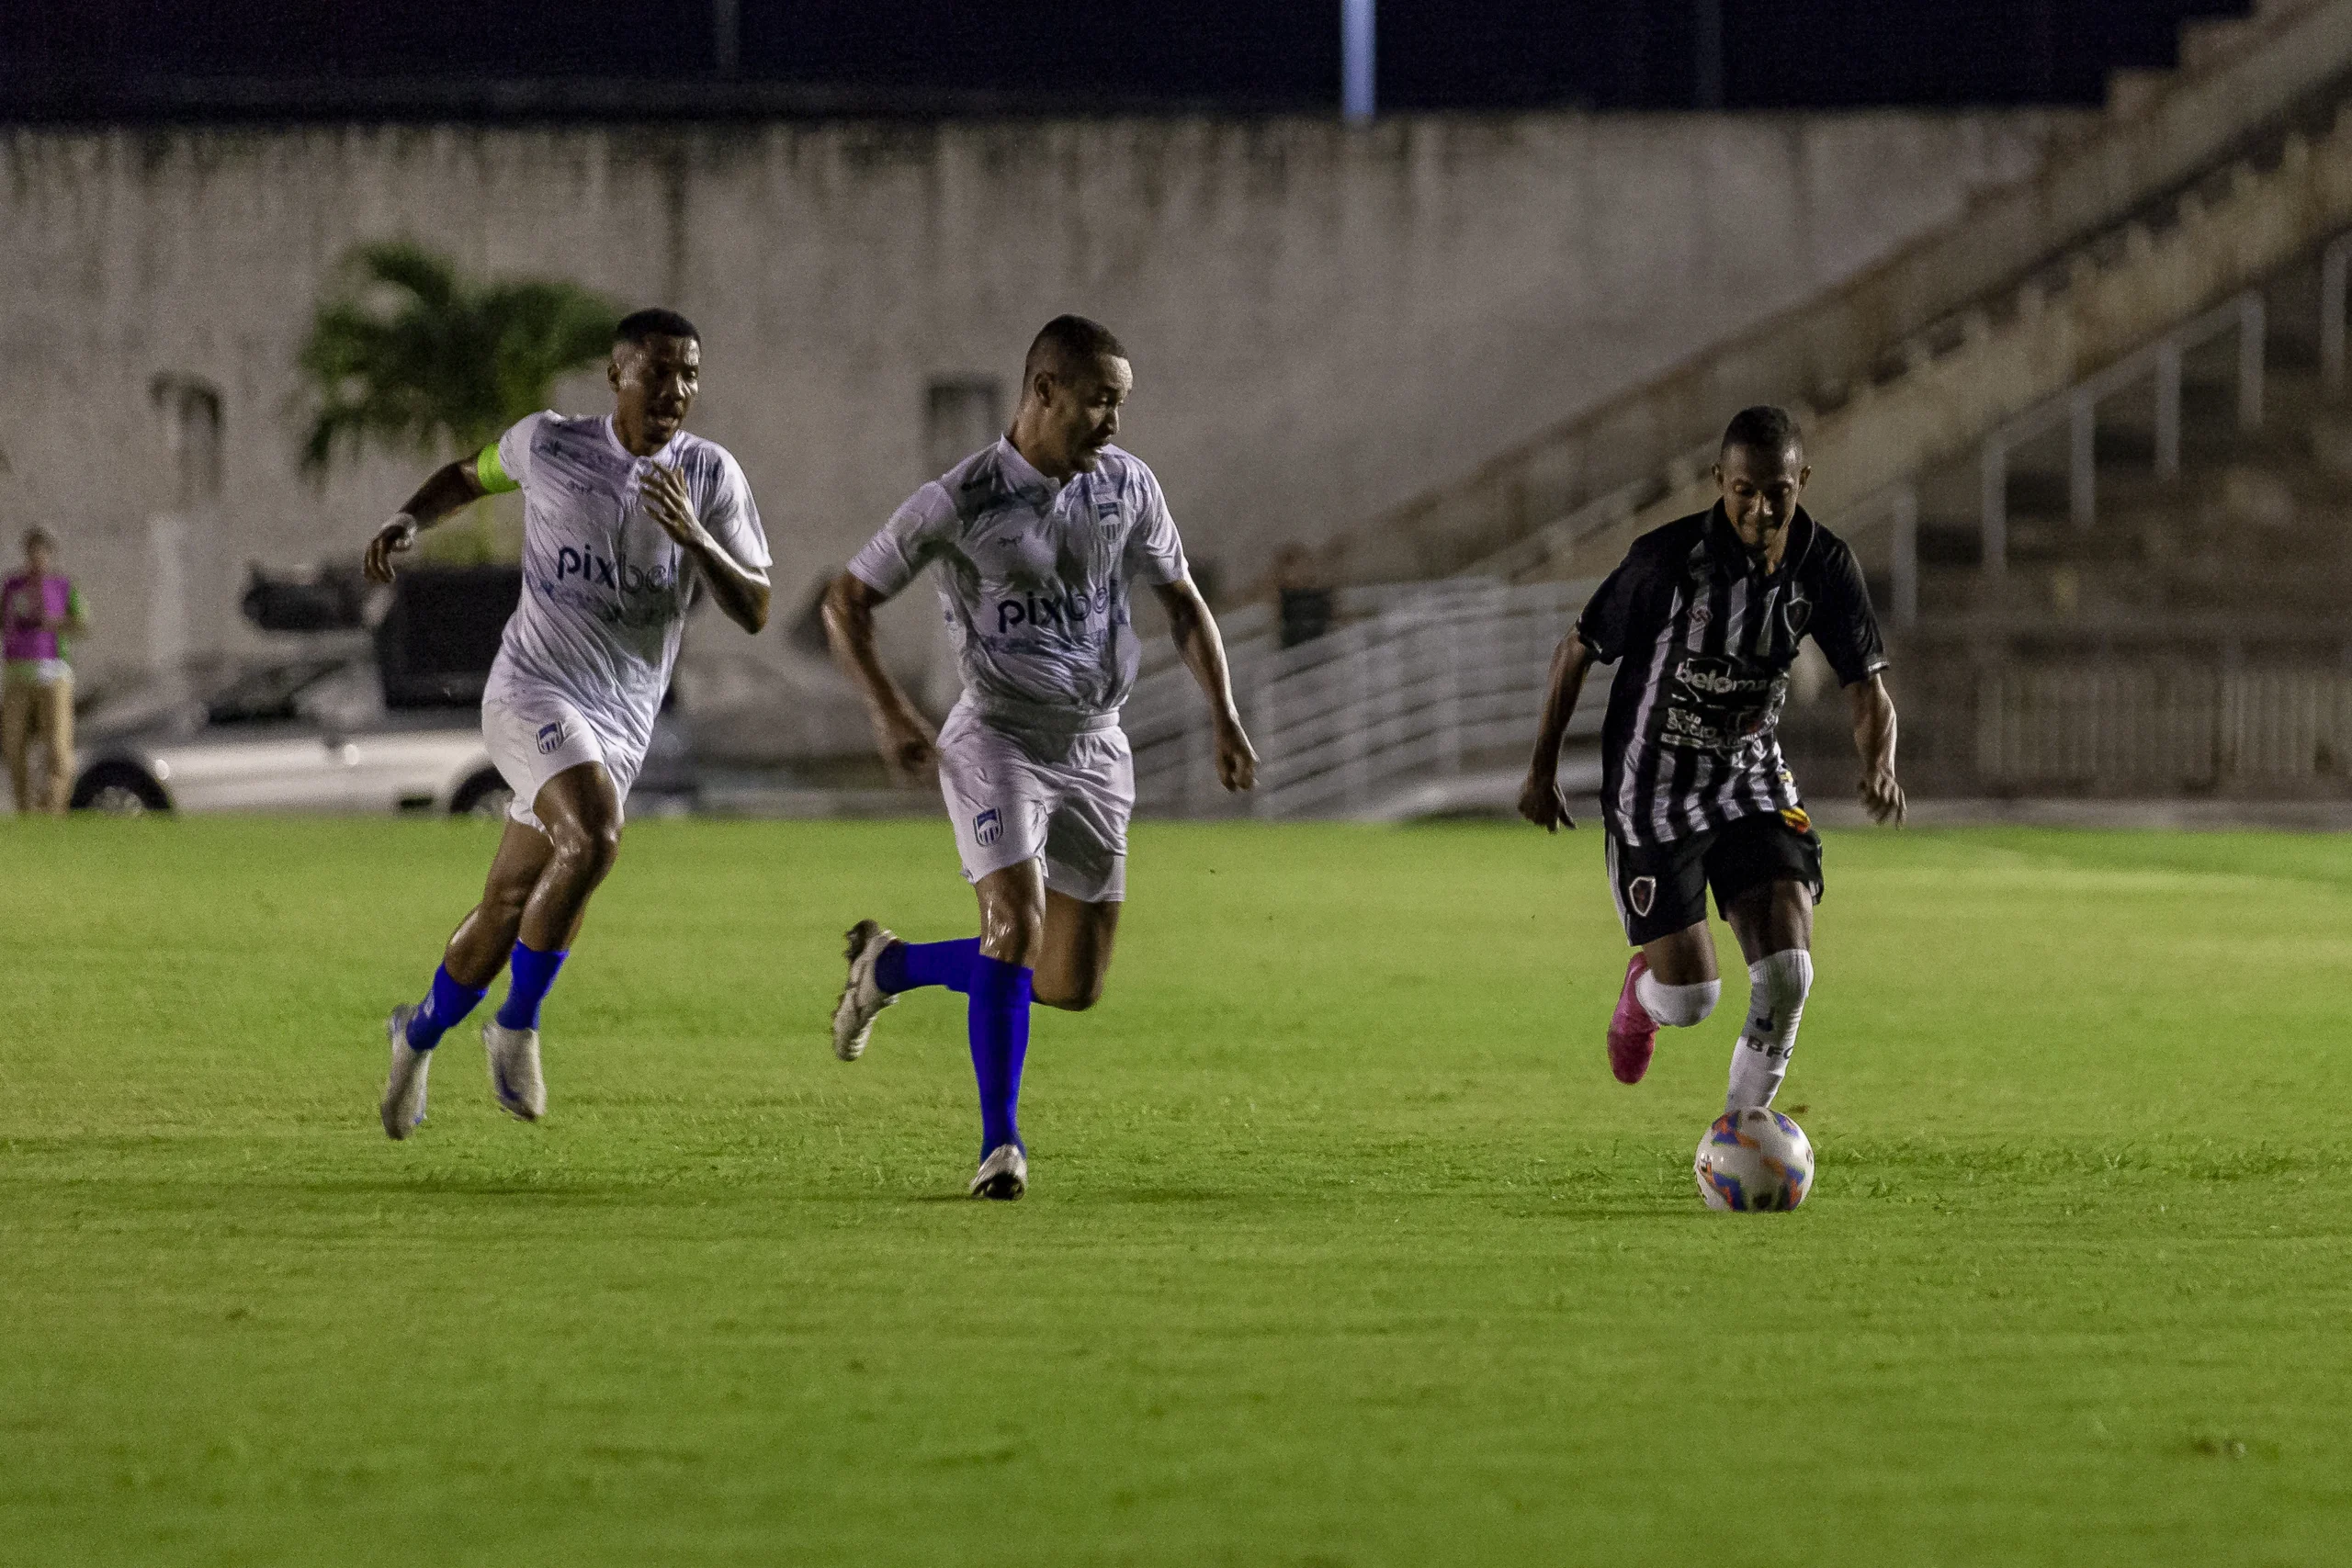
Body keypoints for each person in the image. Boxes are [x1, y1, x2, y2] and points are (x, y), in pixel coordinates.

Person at [823, 314, 1257, 1200]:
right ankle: (1001, 1147)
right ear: (1045, 391)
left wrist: (1225, 715)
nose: (1114, 422)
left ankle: (890, 966)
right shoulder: (961, 498)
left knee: (1069, 982)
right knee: (1014, 927)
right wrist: (889, 711)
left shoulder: (1128, 487)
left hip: (1097, 743)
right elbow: (845, 601)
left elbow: (1182, 605)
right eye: (1100, 400)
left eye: (1122, 403)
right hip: (999, 737)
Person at [361, 309, 771, 1140]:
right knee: (597, 836)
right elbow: (468, 475)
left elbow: (756, 605)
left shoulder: (712, 477)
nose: (677, 391)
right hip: (531, 691)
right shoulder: (552, 445)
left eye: (690, 374)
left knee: (511, 901)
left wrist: (694, 537)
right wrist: (410, 517)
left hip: (620, 724)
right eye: (660, 371)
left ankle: (419, 1032)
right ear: (618, 376)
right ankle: (515, 1024)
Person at [1518, 405, 1903, 1116]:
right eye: (1744, 490)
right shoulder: (1665, 563)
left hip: (1748, 779)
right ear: (1719, 482)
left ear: (1802, 482)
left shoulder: (1824, 565)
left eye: (1777, 491)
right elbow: (1576, 649)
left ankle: (1742, 1132)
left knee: (1788, 973)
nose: (1759, 508)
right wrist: (1540, 771)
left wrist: (1879, 762)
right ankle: (1643, 996)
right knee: (1693, 998)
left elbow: (1866, 686)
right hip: (1653, 792)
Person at [2, 527, 90, 816]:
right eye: (32, 549)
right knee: (13, 744)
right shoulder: (12, 587)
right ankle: (26, 808)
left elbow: (82, 625)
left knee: (57, 746)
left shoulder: (63, 586)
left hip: (53, 673)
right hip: (18, 675)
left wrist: (53, 622)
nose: (37, 556)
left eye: (43, 550)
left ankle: (52, 808)